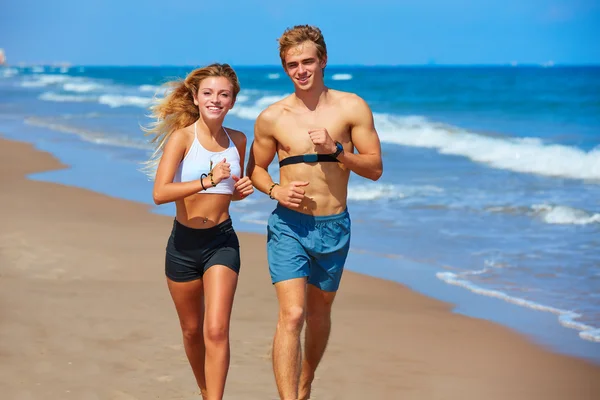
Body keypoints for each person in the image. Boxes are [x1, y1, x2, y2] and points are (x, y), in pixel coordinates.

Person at [247, 25, 383, 399]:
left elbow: (374, 168)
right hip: (288, 225)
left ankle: (305, 381)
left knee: (319, 315)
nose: (301, 70)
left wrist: (338, 150)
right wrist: (275, 189)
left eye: (308, 61)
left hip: (334, 227)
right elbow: (255, 170)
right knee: (292, 315)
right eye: (293, 64)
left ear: (323, 60)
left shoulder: (352, 107)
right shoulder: (272, 117)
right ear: (285, 68)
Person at [143, 63, 254, 400]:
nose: (215, 100)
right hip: (183, 244)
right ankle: (206, 393)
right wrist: (208, 180)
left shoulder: (238, 140)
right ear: (196, 96)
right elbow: (160, 193)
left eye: (224, 94)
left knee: (216, 329)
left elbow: (229, 191)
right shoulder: (182, 138)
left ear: (233, 101)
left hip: (222, 242)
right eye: (208, 93)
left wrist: (240, 189)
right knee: (192, 332)